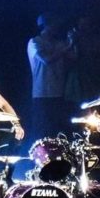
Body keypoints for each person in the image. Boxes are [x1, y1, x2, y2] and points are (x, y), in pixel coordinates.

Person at [27, 13, 77, 144]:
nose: (56, 27)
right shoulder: (35, 42)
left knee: (57, 132)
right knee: (42, 131)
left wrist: (73, 41)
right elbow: (46, 60)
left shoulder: (60, 43)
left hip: (59, 93)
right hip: (42, 94)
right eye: (53, 24)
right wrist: (67, 47)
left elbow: (74, 58)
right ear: (46, 25)